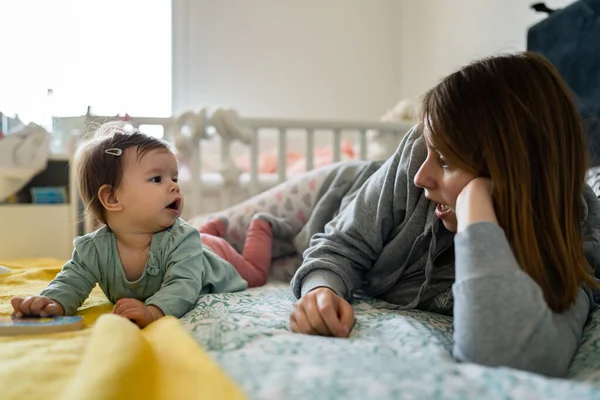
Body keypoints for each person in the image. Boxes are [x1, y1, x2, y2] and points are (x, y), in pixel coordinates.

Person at [289, 52, 600, 377]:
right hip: (335, 191)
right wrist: (320, 290)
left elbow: (505, 353)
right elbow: (338, 245)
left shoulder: (577, 237)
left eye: (447, 162)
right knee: (242, 229)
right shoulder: (416, 159)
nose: (421, 177)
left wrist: (474, 206)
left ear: (511, 174)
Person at [10, 123, 285, 328]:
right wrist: (53, 302)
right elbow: (71, 280)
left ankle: (261, 225)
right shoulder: (93, 249)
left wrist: (153, 311)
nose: (174, 185)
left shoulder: (183, 239)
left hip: (213, 257)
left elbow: (183, 285)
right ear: (112, 197)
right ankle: (211, 228)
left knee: (257, 275)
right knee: (200, 235)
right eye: (157, 179)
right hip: (198, 242)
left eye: (174, 177)